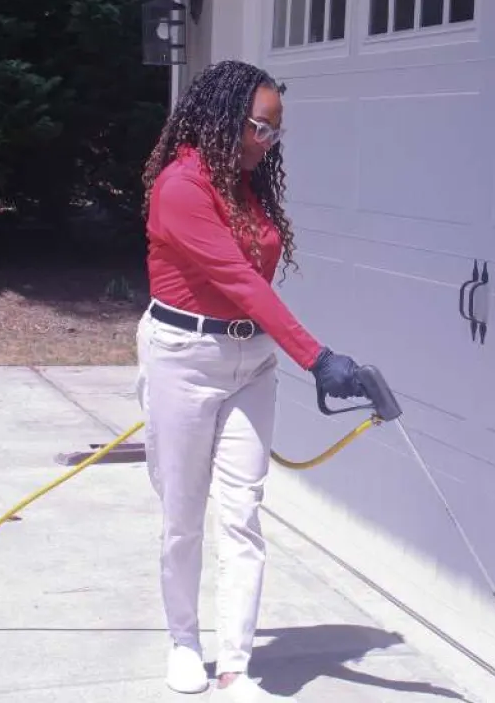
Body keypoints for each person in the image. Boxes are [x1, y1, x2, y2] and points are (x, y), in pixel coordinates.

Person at [134, 60, 365, 702]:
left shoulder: (245, 183)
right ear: (222, 120)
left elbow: (254, 283)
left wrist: (288, 351)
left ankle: (236, 667)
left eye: (276, 132)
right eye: (261, 128)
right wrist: (316, 357)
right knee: (183, 515)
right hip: (183, 355)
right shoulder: (181, 187)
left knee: (242, 514)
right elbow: (237, 279)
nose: (269, 142)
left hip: (251, 363)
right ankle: (184, 642)